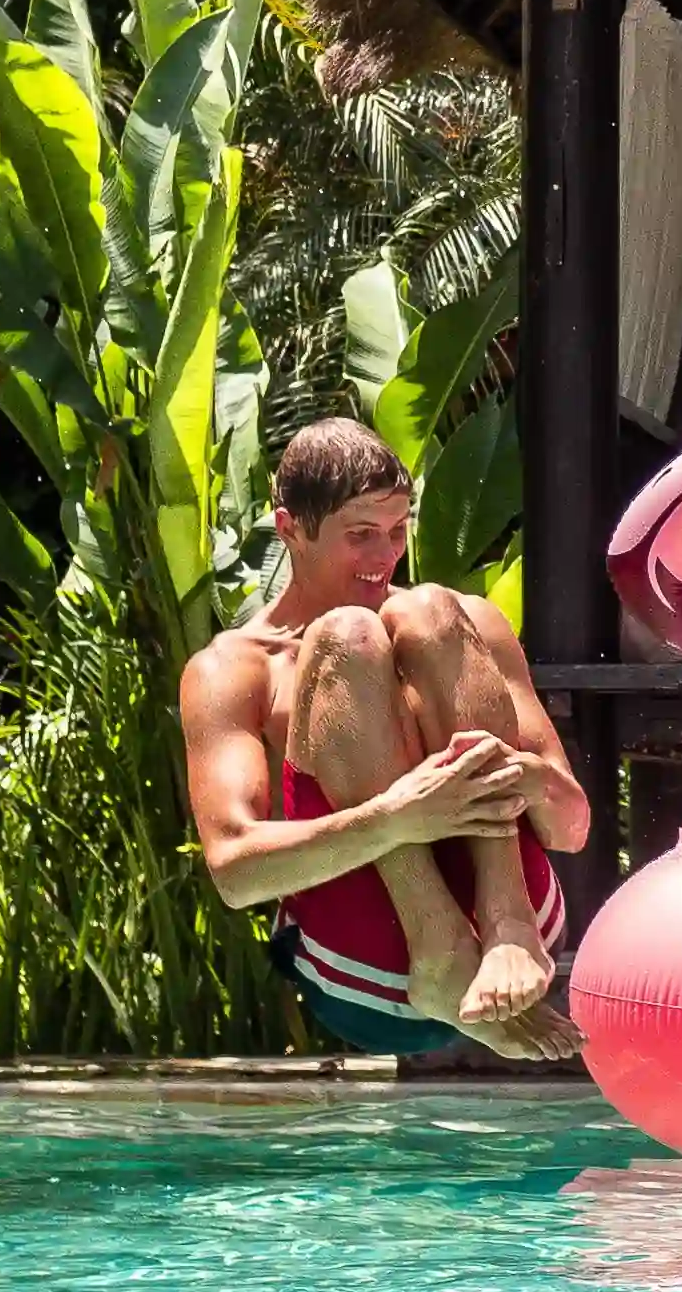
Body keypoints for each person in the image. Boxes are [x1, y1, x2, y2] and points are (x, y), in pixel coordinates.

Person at [181, 417, 590, 1059]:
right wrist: (397, 818)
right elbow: (235, 875)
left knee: (427, 606)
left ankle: (505, 922)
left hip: (522, 931)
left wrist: (526, 777)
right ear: (289, 529)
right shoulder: (236, 669)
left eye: (398, 531)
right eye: (361, 535)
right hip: (369, 970)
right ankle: (440, 947)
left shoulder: (459, 625)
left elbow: (570, 830)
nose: (385, 556)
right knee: (347, 636)